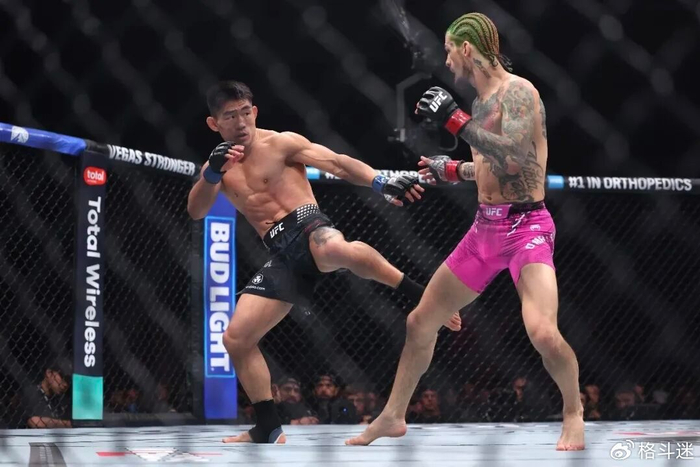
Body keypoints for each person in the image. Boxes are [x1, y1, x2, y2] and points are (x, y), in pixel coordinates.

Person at [347, 12, 584, 450]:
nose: (446, 60)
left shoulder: (519, 92)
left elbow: (515, 159)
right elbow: (491, 168)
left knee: (542, 332)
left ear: (467, 48)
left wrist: (453, 120)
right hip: (484, 230)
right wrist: (452, 169)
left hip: (526, 228)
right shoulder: (480, 104)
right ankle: (393, 416)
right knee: (421, 321)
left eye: (449, 49)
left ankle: (573, 413)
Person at [187, 81, 462, 444]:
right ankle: (267, 427)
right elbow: (196, 210)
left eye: (244, 113)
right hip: (281, 254)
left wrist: (380, 181)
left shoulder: (281, 143)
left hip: (307, 225)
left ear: (254, 112)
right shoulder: (217, 169)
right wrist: (212, 172)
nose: (240, 123)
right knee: (236, 339)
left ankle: (422, 296)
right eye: (229, 116)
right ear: (214, 123)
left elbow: (336, 162)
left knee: (334, 249)